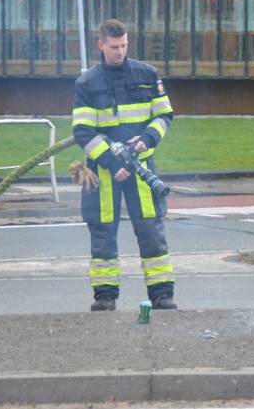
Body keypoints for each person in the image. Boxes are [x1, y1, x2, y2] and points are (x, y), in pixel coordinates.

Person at [71, 19, 177, 311]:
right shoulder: (87, 83)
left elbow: (165, 115)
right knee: (103, 231)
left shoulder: (146, 74)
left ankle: (162, 294)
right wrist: (110, 160)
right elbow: (82, 131)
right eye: (115, 47)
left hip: (141, 166)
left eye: (124, 46)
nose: (120, 52)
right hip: (103, 171)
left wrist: (147, 140)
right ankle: (105, 297)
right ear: (101, 45)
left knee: (150, 230)